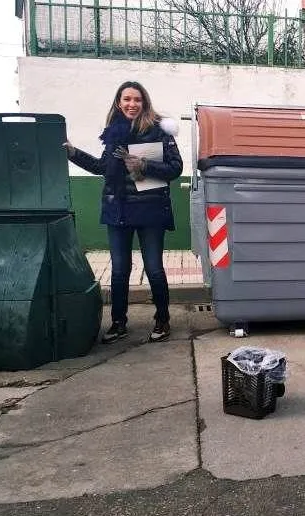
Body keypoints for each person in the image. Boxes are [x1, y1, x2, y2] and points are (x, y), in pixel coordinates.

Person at [64, 81, 183, 344]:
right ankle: (119, 323)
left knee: (154, 268)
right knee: (119, 270)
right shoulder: (114, 133)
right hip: (119, 209)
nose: (132, 104)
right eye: (127, 99)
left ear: (144, 102)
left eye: (137, 99)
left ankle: (163, 320)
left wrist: (145, 164)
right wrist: (73, 153)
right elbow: (101, 167)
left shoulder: (160, 131)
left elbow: (176, 168)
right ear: (119, 102)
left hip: (150, 209)